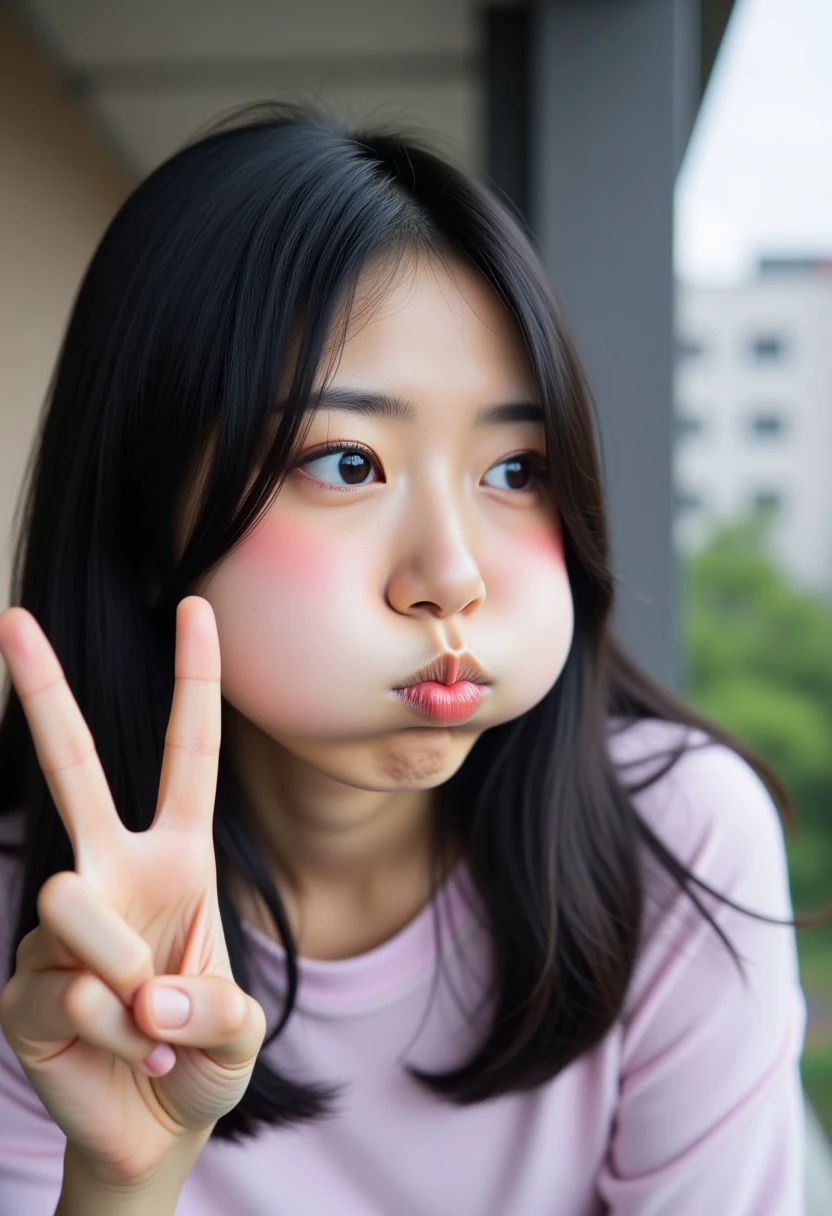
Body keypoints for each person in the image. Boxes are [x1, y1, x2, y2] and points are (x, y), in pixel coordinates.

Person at [0, 104, 816, 1215]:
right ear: (145, 517)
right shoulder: (49, 921)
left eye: (515, 469)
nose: (452, 572)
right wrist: (120, 1179)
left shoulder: (676, 844)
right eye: (347, 461)